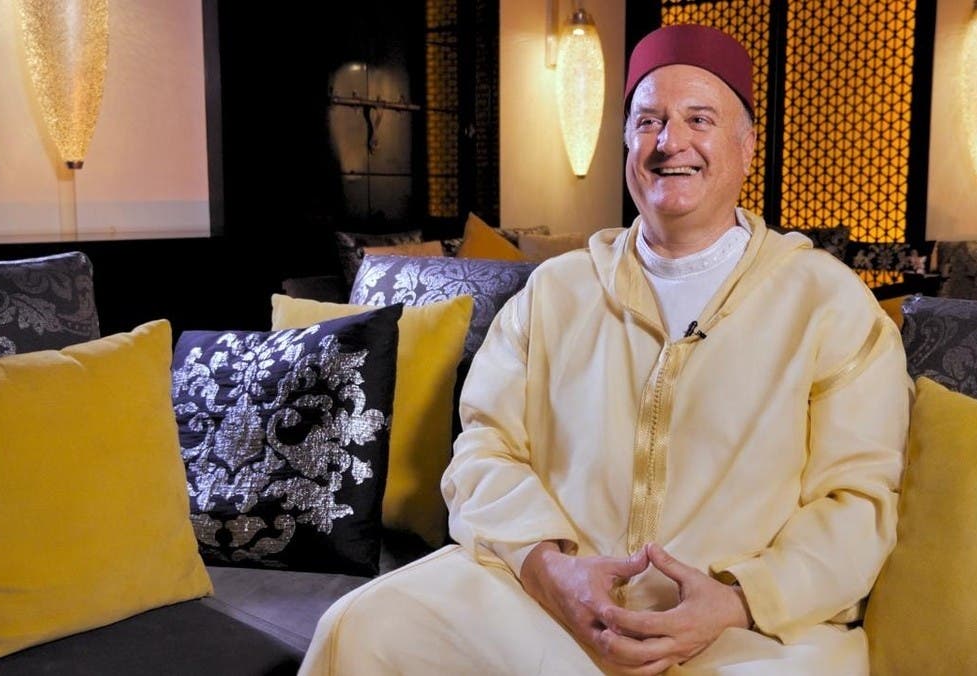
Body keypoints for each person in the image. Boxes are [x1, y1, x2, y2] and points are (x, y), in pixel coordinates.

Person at [300, 24, 910, 675]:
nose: (669, 142)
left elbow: (857, 504)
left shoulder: (828, 303)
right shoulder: (556, 291)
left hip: (748, 628)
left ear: (746, 145)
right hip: (549, 603)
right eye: (649, 121)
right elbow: (484, 446)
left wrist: (739, 601)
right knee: (364, 628)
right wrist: (549, 569)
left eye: (699, 119)